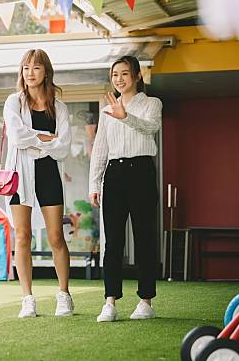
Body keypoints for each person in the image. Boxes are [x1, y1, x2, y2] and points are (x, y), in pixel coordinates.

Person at [88, 56, 162, 323]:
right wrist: (94, 184)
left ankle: (145, 301)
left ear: (137, 76)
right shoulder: (107, 109)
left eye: (124, 74)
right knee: (113, 241)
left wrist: (126, 116)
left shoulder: (152, 103)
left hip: (142, 171)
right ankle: (110, 302)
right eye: (114, 74)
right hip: (115, 174)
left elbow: (152, 127)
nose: (119, 79)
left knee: (144, 238)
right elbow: (100, 149)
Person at [3, 48, 73, 318]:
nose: (30, 73)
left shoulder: (60, 107)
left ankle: (64, 294)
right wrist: (45, 137)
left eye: (35, 68)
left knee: (56, 237)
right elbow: (17, 137)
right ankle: (27, 298)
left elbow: (63, 147)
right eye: (25, 68)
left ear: (46, 72)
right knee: (22, 236)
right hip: (19, 175)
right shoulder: (14, 102)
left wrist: (37, 141)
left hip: (49, 174)